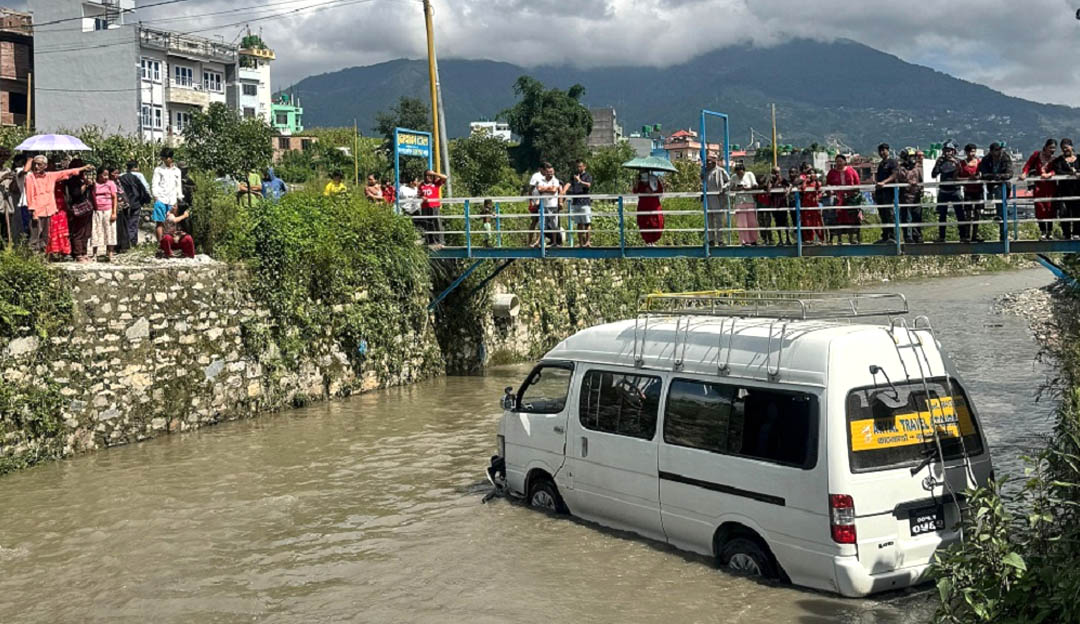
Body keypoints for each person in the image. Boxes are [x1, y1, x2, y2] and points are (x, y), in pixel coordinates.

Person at [23, 155, 92, 254]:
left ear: (45, 166)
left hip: (48, 210)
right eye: (35, 164)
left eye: (39, 164)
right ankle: (33, 260)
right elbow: (30, 195)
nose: (36, 167)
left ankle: (42, 258)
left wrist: (83, 168)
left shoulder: (50, 176)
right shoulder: (30, 177)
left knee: (45, 236)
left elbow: (65, 172)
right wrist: (33, 211)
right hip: (37, 211)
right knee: (35, 236)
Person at [1020, 139, 1058, 240]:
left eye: (1054, 148)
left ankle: (1049, 231)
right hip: (1039, 186)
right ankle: (1042, 231)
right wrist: (1024, 173)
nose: (1052, 150)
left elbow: (1057, 169)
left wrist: (1049, 174)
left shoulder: (1055, 159)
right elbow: (1028, 165)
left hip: (1050, 186)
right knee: (1039, 208)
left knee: (1050, 209)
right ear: (1045, 147)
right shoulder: (1037, 155)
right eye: (1050, 148)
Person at [931, 141, 968, 242]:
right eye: (945, 151)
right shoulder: (940, 161)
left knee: (960, 214)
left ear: (953, 151)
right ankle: (941, 237)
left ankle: (963, 236)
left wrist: (956, 164)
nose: (947, 153)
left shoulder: (958, 161)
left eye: (949, 151)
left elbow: (962, 173)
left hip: (955, 190)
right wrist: (938, 164)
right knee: (942, 215)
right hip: (943, 190)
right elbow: (933, 174)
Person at [977, 142, 1013, 242]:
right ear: (992, 151)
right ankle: (1001, 219)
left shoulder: (1005, 158)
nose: (999, 152)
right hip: (991, 186)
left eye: (999, 149)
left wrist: (998, 177)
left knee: (1000, 195)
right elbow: (983, 173)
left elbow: (1009, 173)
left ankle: (1002, 230)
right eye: (996, 150)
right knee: (999, 199)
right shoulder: (986, 159)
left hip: (1003, 186)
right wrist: (994, 177)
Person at [825, 154, 862, 244]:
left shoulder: (851, 171)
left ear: (845, 162)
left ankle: (851, 238)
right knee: (838, 219)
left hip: (850, 198)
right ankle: (839, 239)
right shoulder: (831, 172)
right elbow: (827, 184)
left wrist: (852, 194)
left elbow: (857, 184)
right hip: (837, 199)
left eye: (840, 161)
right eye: (837, 161)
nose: (839, 163)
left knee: (851, 218)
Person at [151, 148, 183, 242]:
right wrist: (156, 197)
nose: (164, 160)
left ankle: (170, 244)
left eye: (166, 158)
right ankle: (161, 244)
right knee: (160, 223)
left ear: (170, 158)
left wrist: (178, 198)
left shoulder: (177, 171)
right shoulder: (158, 170)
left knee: (172, 223)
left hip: (172, 200)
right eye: (163, 158)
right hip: (161, 199)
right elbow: (155, 184)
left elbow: (178, 186)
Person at [1051, 138, 1080, 240]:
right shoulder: (1059, 161)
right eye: (1063, 148)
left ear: (1071, 147)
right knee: (1064, 213)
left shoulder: (1079, 158)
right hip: (1064, 191)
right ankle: (1066, 234)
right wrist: (1070, 174)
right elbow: (1058, 171)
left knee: (1077, 211)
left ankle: (1077, 233)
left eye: (1067, 148)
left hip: (1077, 190)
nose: (1065, 150)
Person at [118, 160, 151, 249]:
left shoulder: (121, 176)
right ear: (135, 167)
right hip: (136, 202)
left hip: (124, 202)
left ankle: (124, 242)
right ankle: (132, 241)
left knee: (125, 221)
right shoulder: (139, 175)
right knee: (134, 222)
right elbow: (146, 188)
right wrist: (148, 199)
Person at [88, 166, 118, 261]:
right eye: (103, 175)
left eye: (107, 175)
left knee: (110, 231)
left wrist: (114, 212)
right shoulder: (94, 184)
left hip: (108, 209)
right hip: (97, 210)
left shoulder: (111, 184)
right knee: (96, 231)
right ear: (99, 175)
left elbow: (114, 197)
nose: (105, 177)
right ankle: (94, 254)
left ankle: (110, 254)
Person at [896, 148, 924, 243]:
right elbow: (901, 179)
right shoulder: (901, 168)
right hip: (905, 198)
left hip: (916, 196)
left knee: (917, 217)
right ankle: (908, 237)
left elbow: (921, 180)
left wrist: (921, 189)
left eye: (913, 156)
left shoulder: (918, 167)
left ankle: (918, 236)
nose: (912, 159)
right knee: (907, 218)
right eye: (910, 157)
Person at [873, 143, 900, 242]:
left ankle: (893, 237)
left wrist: (884, 182)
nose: (881, 153)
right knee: (882, 214)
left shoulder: (892, 162)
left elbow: (895, 175)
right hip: (880, 193)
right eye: (880, 151)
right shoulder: (881, 164)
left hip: (889, 192)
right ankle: (885, 236)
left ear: (888, 151)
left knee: (890, 214)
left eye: (883, 150)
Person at [564, 160, 593, 247]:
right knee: (579, 223)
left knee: (587, 223)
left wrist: (580, 181)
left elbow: (588, 185)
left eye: (580, 166)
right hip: (576, 202)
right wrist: (563, 191)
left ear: (584, 166)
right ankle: (580, 243)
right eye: (577, 166)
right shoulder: (574, 176)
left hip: (584, 202)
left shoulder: (588, 176)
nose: (578, 168)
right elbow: (569, 183)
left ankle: (587, 242)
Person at [958, 144, 983, 242]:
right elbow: (956, 178)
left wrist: (979, 177)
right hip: (968, 191)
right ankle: (967, 235)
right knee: (968, 214)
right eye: (970, 152)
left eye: (973, 151)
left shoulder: (979, 163)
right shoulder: (961, 164)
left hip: (978, 190)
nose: (972, 154)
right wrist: (968, 179)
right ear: (966, 152)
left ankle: (975, 235)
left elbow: (983, 174)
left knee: (977, 213)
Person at [633, 171, 664, 245]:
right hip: (643, 206)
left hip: (654, 206)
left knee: (657, 223)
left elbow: (660, 191)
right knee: (644, 224)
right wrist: (637, 182)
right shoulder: (639, 181)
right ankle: (648, 242)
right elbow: (635, 191)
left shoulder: (655, 179)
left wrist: (652, 192)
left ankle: (654, 242)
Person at [704, 157, 730, 246]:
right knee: (709, 220)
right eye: (707, 163)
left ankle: (720, 240)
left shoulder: (720, 171)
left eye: (709, 163)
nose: (708, 164)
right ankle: (711, 240)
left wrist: (724, 188)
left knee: (719, 220)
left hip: (718, 198)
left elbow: (729, 181)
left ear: (714, 163)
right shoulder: (705, 172)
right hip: (708, 198)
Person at [731, 163, 759, 245]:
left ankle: (753, 240)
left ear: (744, 171)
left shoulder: (749, 174)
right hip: (739, 201)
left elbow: (755, 185)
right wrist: (737, 188)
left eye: (741, 173)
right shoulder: (734, 177)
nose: (739, 175)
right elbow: (731, 187)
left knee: (752, 222)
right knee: (742, 223)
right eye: (738, 173)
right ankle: (744, 241)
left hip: (749, 200)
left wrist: (748, 188)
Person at [419, 169, 447, 246]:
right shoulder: (421, 184)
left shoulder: (436, 183)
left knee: (437, 223)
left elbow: (445, 177)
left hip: (434, 206)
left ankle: (440, 241)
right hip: (425, 206)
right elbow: (419, 194)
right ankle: (430, 241)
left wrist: (435, 173)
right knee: (427, 224)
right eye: (427, 175)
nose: (428, 177)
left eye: (430, 175)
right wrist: (422, 197)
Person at [535, 164, 561, 247]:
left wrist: (544, 189)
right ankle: (539, 242)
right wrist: (548, 188)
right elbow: (539, 189)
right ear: (545, 172)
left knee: (554, 225)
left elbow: (554, 190)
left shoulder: (556, 180)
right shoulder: (541, 180)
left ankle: (554, 242)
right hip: (543, 205)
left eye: (552, 172)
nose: (550, 174)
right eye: (549, 172)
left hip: (553, 205)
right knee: (542, 224)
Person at [798, 167, 825, 244]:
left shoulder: (817, 183)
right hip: (806, 206)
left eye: (812, 173)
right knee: (807, 223)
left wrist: (815, 179)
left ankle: (821, 239)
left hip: (814, 205)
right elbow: (802, 188)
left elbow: (819, 188)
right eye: (809, 173)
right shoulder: (805, 183)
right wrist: (806, 180)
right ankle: (809, 239)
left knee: (817, 223)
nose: (810, 175)